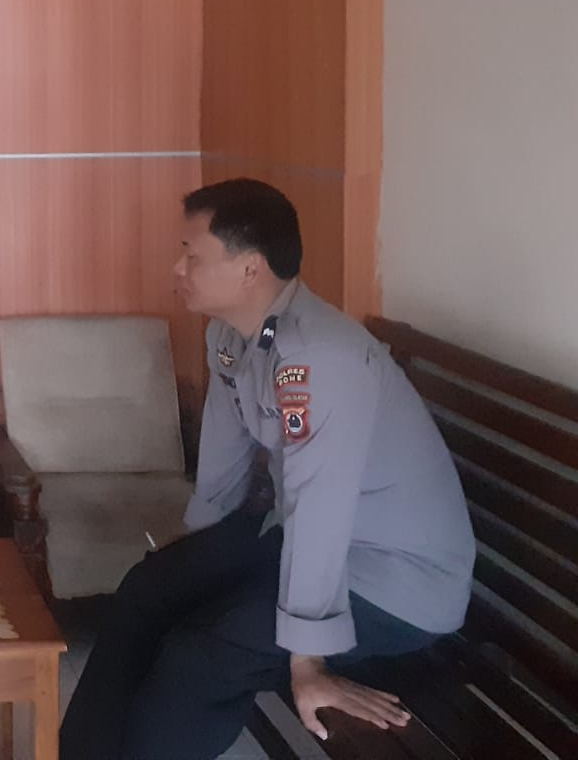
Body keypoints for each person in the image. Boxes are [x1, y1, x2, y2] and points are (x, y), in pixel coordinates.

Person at [59, 178, 474, 760]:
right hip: (309, 542)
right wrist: (198, 557)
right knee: (147, 590)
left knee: (199, 655)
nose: (177, 268)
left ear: (250, 268)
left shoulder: (318, 358)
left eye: (192, 255)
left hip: (396, 582)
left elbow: (320, 505)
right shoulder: (232, 336)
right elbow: (224, 458)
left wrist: (308, 661)